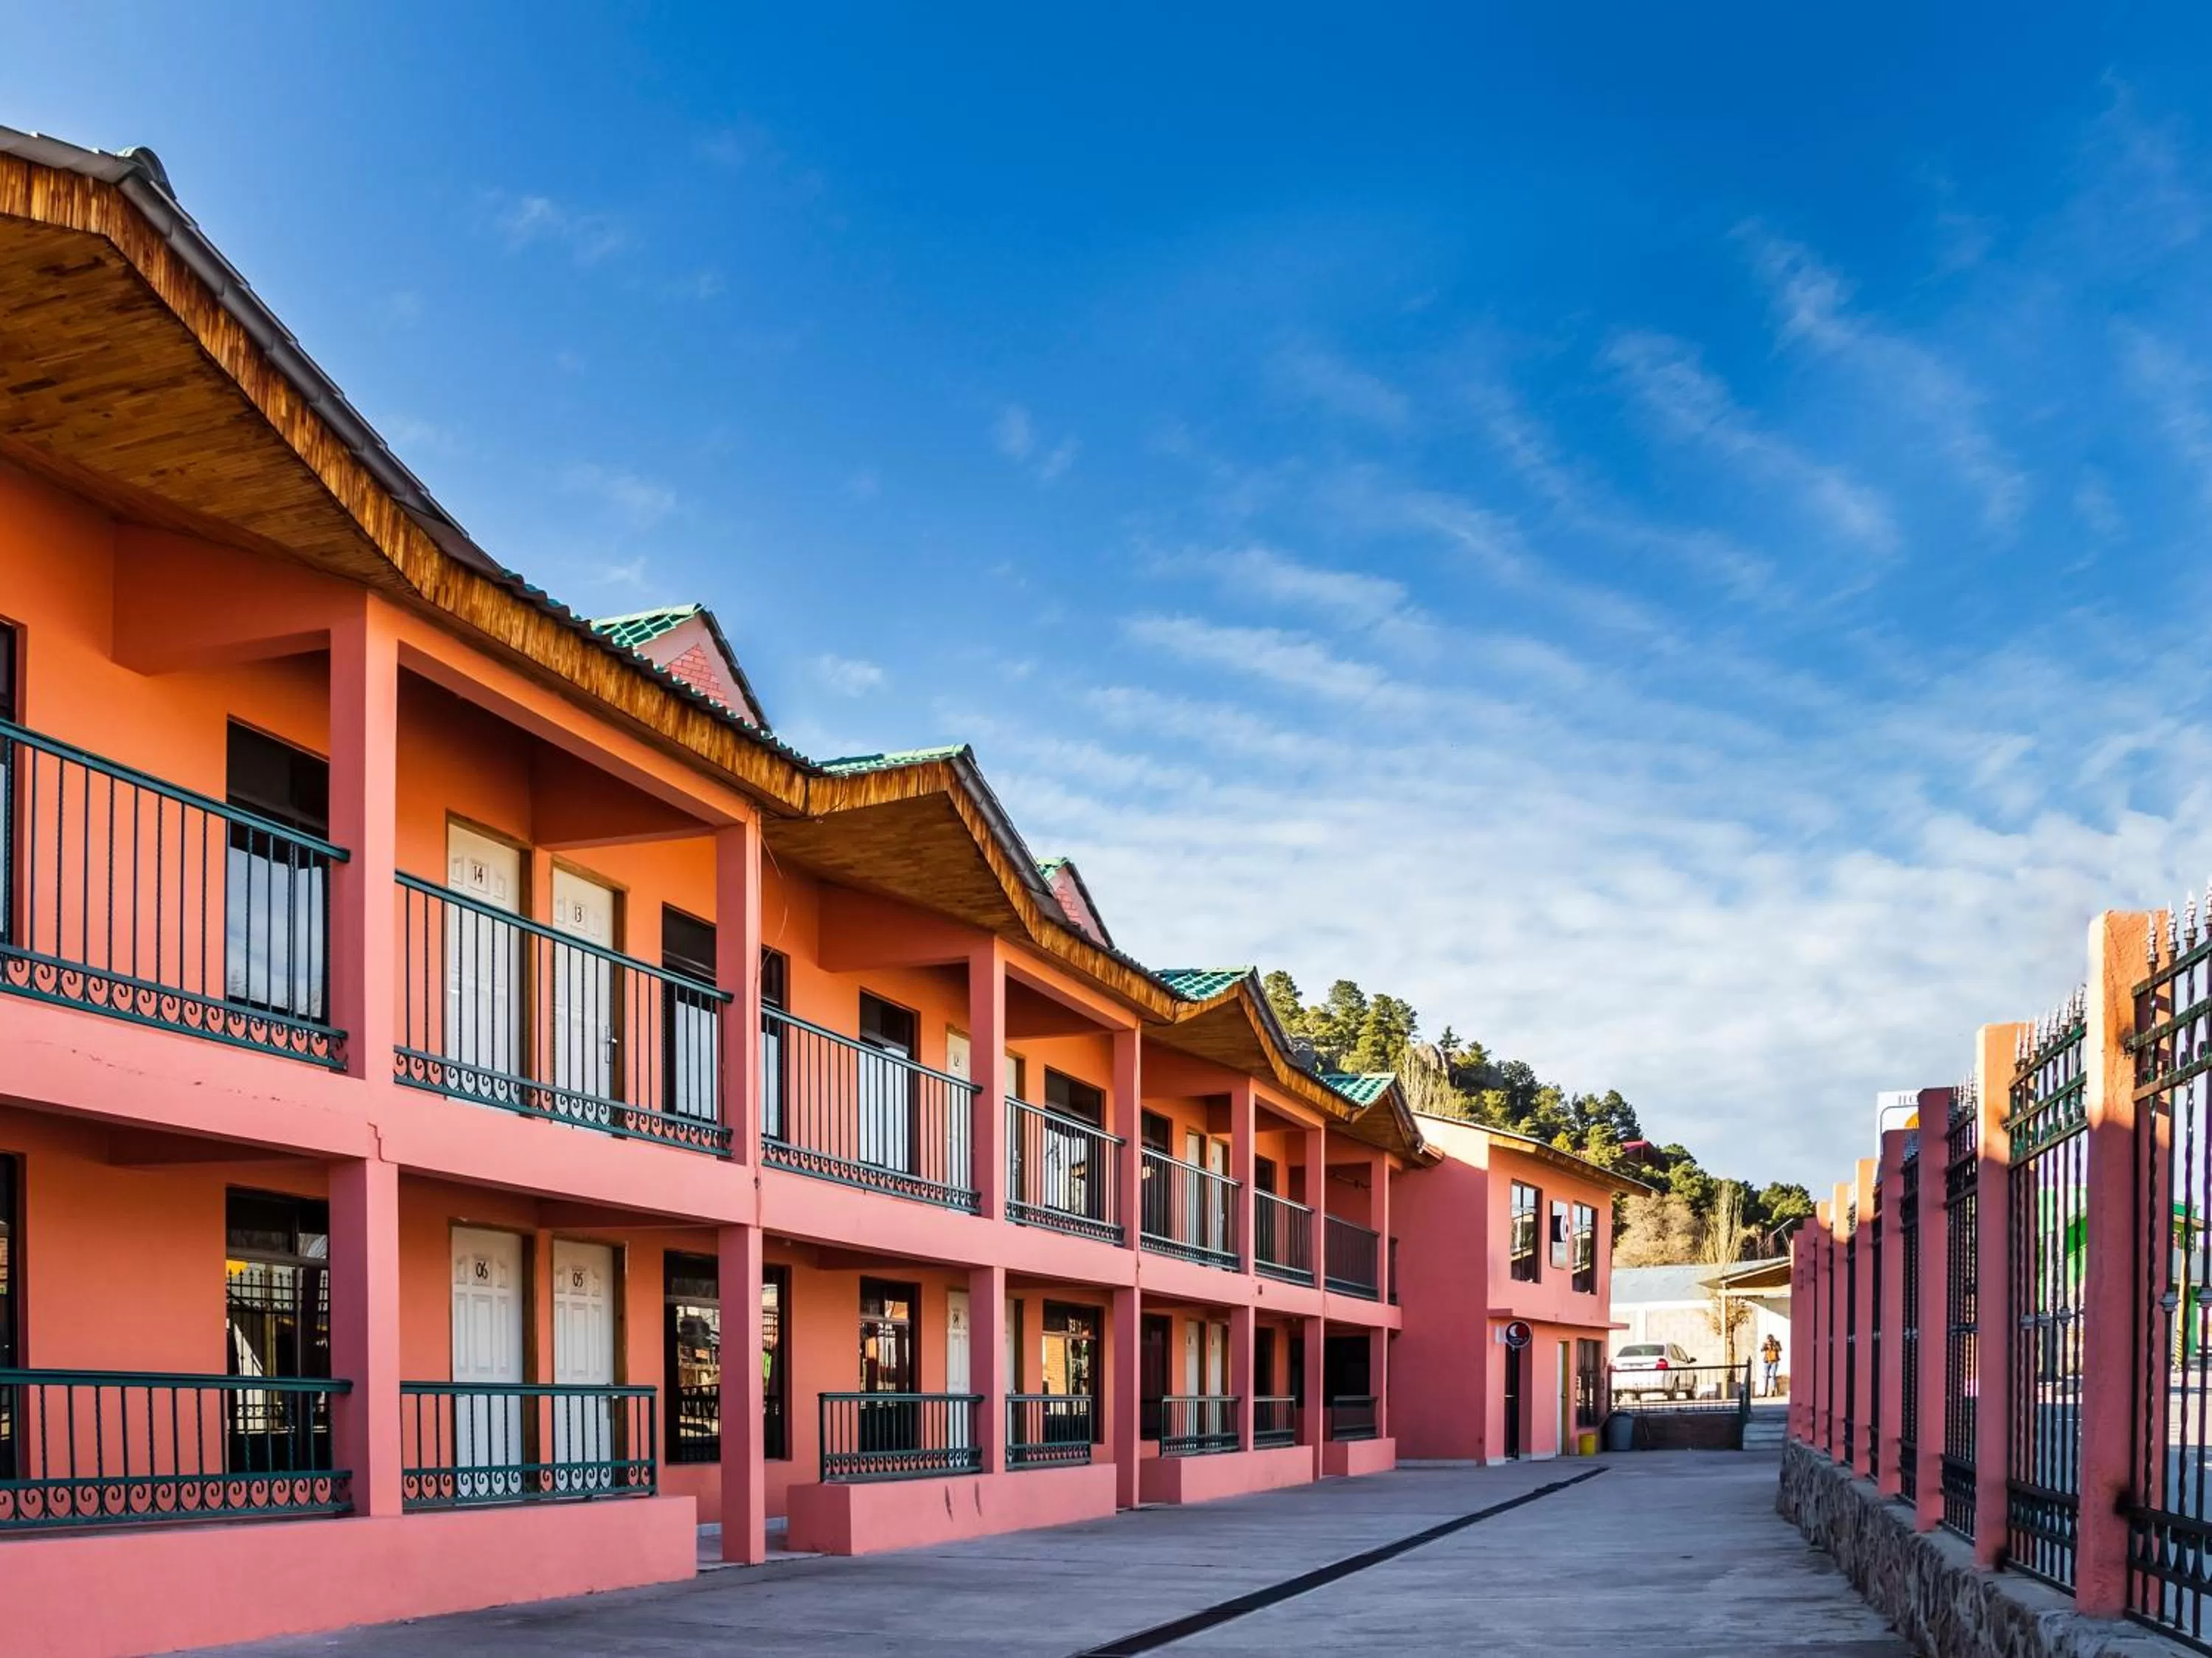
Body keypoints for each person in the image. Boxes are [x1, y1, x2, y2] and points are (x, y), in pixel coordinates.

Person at [1761, 1333, 1783, 1397]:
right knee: (1766, 1376)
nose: (1770, 1340)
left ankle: (1773, 1392)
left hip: (1774, 1361)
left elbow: (1780, 1349)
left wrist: (1774, 1345)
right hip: (1767, 1361)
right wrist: (1766, 1345)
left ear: (1773, 1338)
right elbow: (1762, 1350)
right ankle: (1765, 1392)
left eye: (1771, 1339)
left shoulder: (1776, 1343)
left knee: (1773, 1376)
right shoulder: (1765, 1344)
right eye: (1768, 1339)